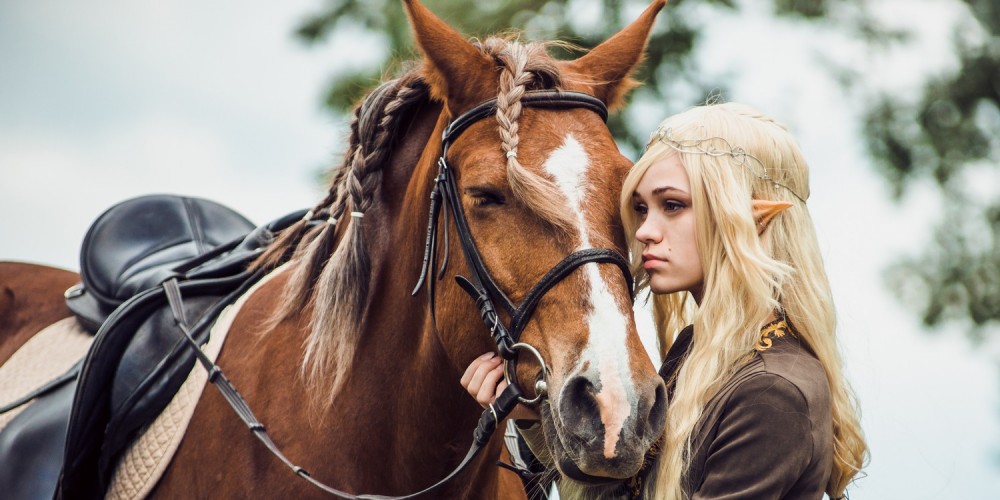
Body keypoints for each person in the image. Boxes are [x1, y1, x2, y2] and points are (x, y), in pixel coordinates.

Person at [462, 101, 868, 499]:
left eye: (672, 205)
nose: (644, 231)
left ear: (750, 216)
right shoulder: (696, 353)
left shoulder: (774, 391)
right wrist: (533, 417)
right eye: (641, 208)